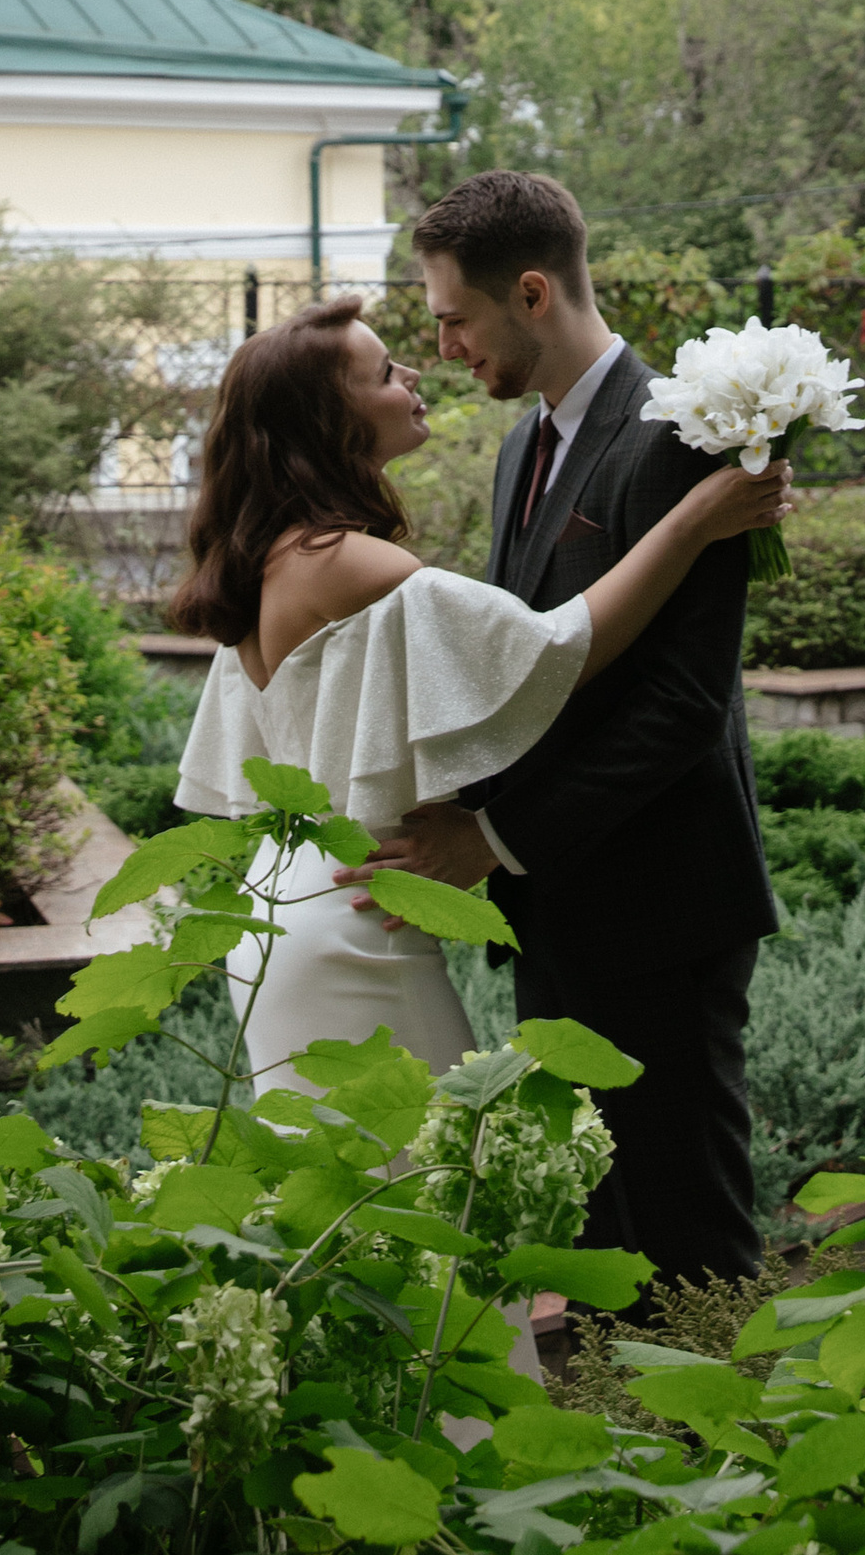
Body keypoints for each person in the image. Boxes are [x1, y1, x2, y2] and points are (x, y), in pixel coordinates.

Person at [167, 289, 784, 1116]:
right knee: (436, 1184)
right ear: (331, 417)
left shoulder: (275, 555)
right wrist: (688, 525)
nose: (417, 369)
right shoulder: (347, 562)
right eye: (385, 370)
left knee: (353, 1192)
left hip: (291, 899)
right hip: (353, 920)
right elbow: (561, 647)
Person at [349, 171, 777, 1299]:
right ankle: (622, 1455)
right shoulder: (519, 447)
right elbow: (532, 671)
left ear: (530, 293)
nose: (441, 348)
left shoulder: (679, 439)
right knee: (599, 1232)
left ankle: (729, 1464)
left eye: (452, 318)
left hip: (660, 908)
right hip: (564, 907)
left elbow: (683, 707)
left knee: (688, 1235)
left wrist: (493, 839)